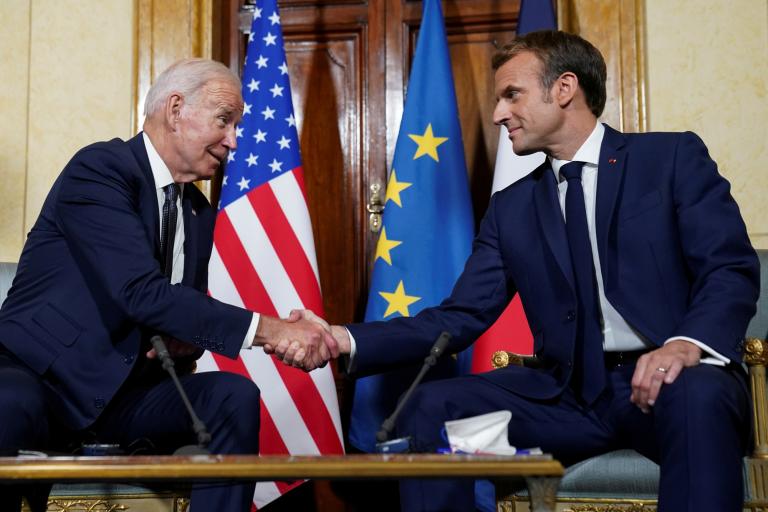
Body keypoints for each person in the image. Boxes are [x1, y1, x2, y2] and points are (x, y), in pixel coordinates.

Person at [285, 30, 760, 511]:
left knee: (697, 395)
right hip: (568, 401)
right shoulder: (511, 208)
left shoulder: (669, 158)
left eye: (512, 95)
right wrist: (344, 339)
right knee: (432, 408)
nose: (497, 114)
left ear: (564, 88)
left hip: (671, 383)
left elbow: (729, 268)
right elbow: (460, 316)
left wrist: (684, 345)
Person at [0, 58, 336, 512]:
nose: (234, 141)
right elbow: (140, 292)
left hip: (125, 397)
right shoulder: (101, 170)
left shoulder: (198, 213)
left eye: (237, 126)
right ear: (176, 109)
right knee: (9, 401)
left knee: (232, 395)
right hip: (45, 381)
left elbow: (177, 319)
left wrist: (184, 344)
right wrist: (275, 331)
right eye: (225, 121)